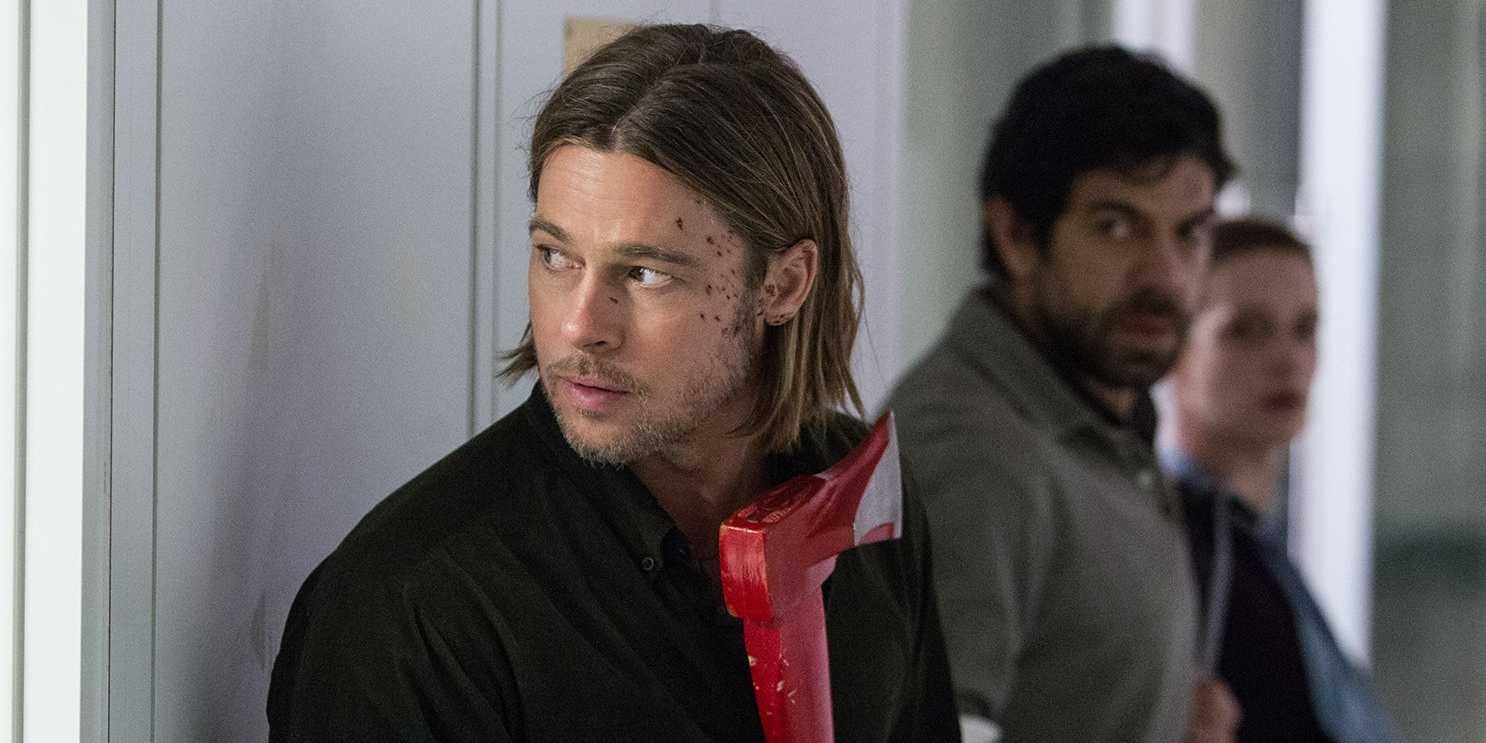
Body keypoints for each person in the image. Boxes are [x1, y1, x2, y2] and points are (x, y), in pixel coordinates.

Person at [267, 24, 958, 742]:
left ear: (781, 285)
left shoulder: (867, 502)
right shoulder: (411, 612)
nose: (579, 326)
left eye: (645, 272)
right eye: (555, 256)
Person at [886, 46, 1239, 742]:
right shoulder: (974, 452)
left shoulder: (1096, 416)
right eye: (1117, 227)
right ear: (1016, 235)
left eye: (1190, 233)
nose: (1166, 276)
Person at [1164, 217, 1399, 742]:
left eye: (1304, 329)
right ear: (1176, 349)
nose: (1287, 359)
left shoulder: (1254, 548)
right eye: (1246, 330)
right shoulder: (1177, 545)